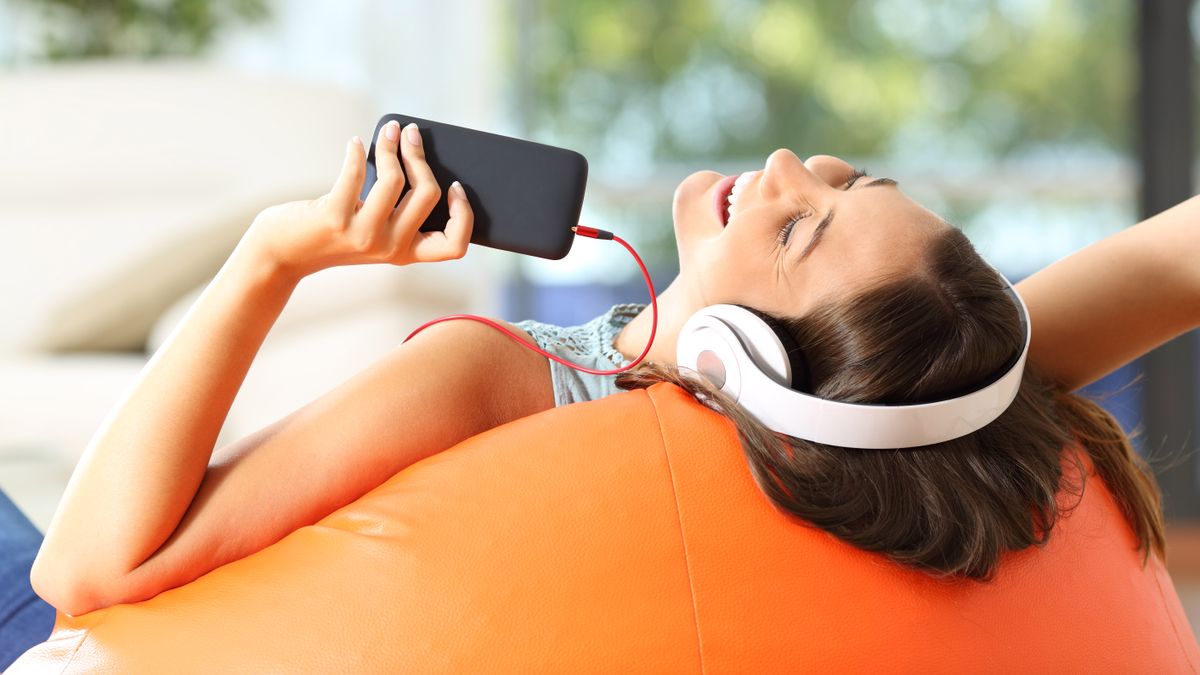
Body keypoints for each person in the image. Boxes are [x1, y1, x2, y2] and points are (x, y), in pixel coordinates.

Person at [4, 117, 1196, 661]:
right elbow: (1162, 268)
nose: (789, 168)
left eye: (801, 233)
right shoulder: (900, 408)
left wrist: (275, 256)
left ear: (748, 361)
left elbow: (82, 577)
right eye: (847, 179)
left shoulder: (502, 382)